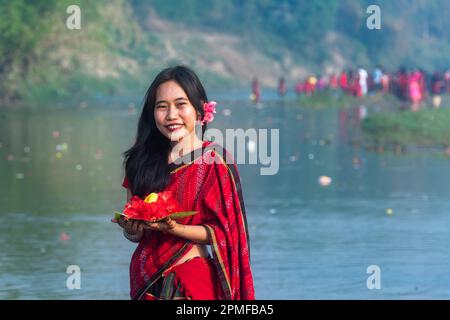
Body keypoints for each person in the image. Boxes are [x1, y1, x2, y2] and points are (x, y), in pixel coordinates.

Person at [117, 65, 255, 300]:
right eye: (162, 107)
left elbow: (224, 232)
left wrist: (175, 228)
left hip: (190, 281)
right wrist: (131, 230)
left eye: (181, 104)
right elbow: (136, 233)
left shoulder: (214, 161)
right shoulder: (139, 161)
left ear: (200, 111)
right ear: (152, 114)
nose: (171, 115)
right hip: (145, 282)